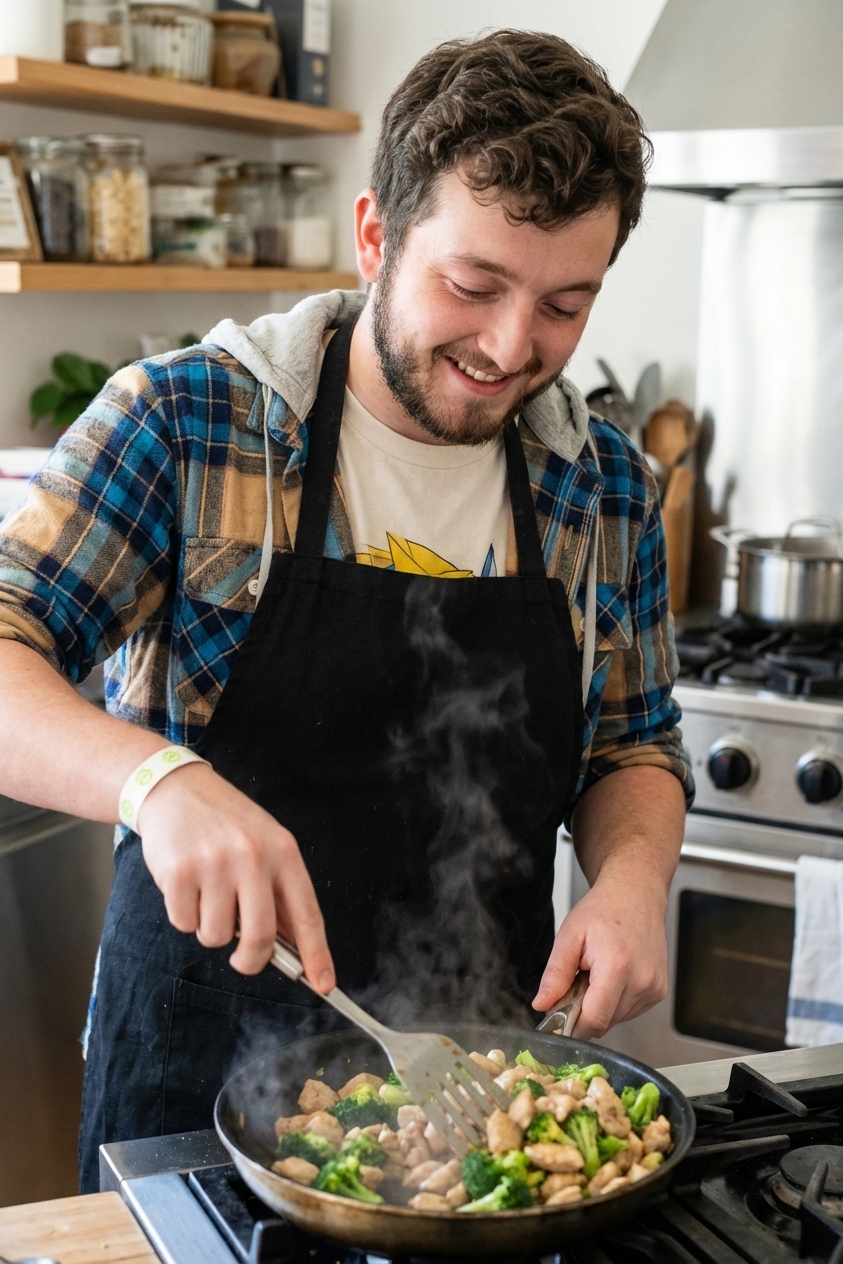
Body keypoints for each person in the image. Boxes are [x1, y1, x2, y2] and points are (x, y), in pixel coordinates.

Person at [0, 29, 692, 1192]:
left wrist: (631, 881)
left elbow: (635, 742)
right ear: (375, 235)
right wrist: (155, 782)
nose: (510, 346)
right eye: (472, 286)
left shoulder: (606, 485)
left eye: (565, 305)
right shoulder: (188, 424)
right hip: (189, 1075)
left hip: (478, 1095)